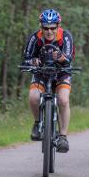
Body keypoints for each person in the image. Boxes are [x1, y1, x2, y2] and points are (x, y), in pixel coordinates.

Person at [23, 9, 74, 153]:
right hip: (41, 73)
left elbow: (69, 57)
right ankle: (38, 123)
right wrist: (32, 61)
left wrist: (62, 57)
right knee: (33, 97)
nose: (49, 31)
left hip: (61, 72)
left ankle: (63, 136)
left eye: (53, 28)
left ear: (58, 26)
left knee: (63, 100)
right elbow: (26, 58)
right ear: (41, 26)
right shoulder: (35, 38)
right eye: (46, 28)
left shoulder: (66, 36)